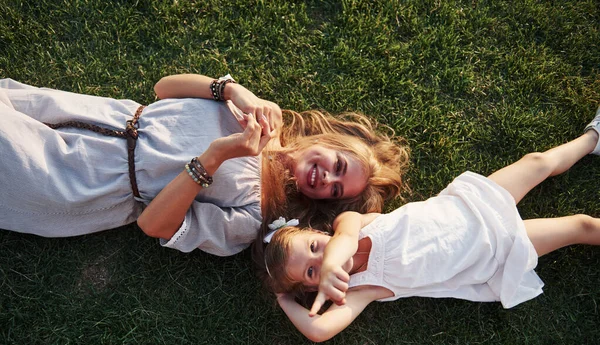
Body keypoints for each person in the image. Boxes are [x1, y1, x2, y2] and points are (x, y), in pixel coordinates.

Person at [260, 108, 600, 342]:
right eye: (311, 273)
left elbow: (343, 242)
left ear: (319, 233)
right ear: (311, 289)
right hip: (491, 252)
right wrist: (284, 299)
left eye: (315, 249)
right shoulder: (362, 289)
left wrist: (332, 262)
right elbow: (319, 331)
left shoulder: (349, 224)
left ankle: (592, 139)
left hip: (470, 205)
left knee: (537, 162)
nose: (322, 262)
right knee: (579, 227)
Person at [0, 75, 409, 256]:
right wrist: (232, 90)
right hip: (86, 113)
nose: (327, 178)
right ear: (325, 141)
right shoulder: (260, 115)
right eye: (337, 165)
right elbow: (163, 89)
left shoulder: (253, 214)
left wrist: (216, 157)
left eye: (336, 189)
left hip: (81, 181)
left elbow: (155, 226)